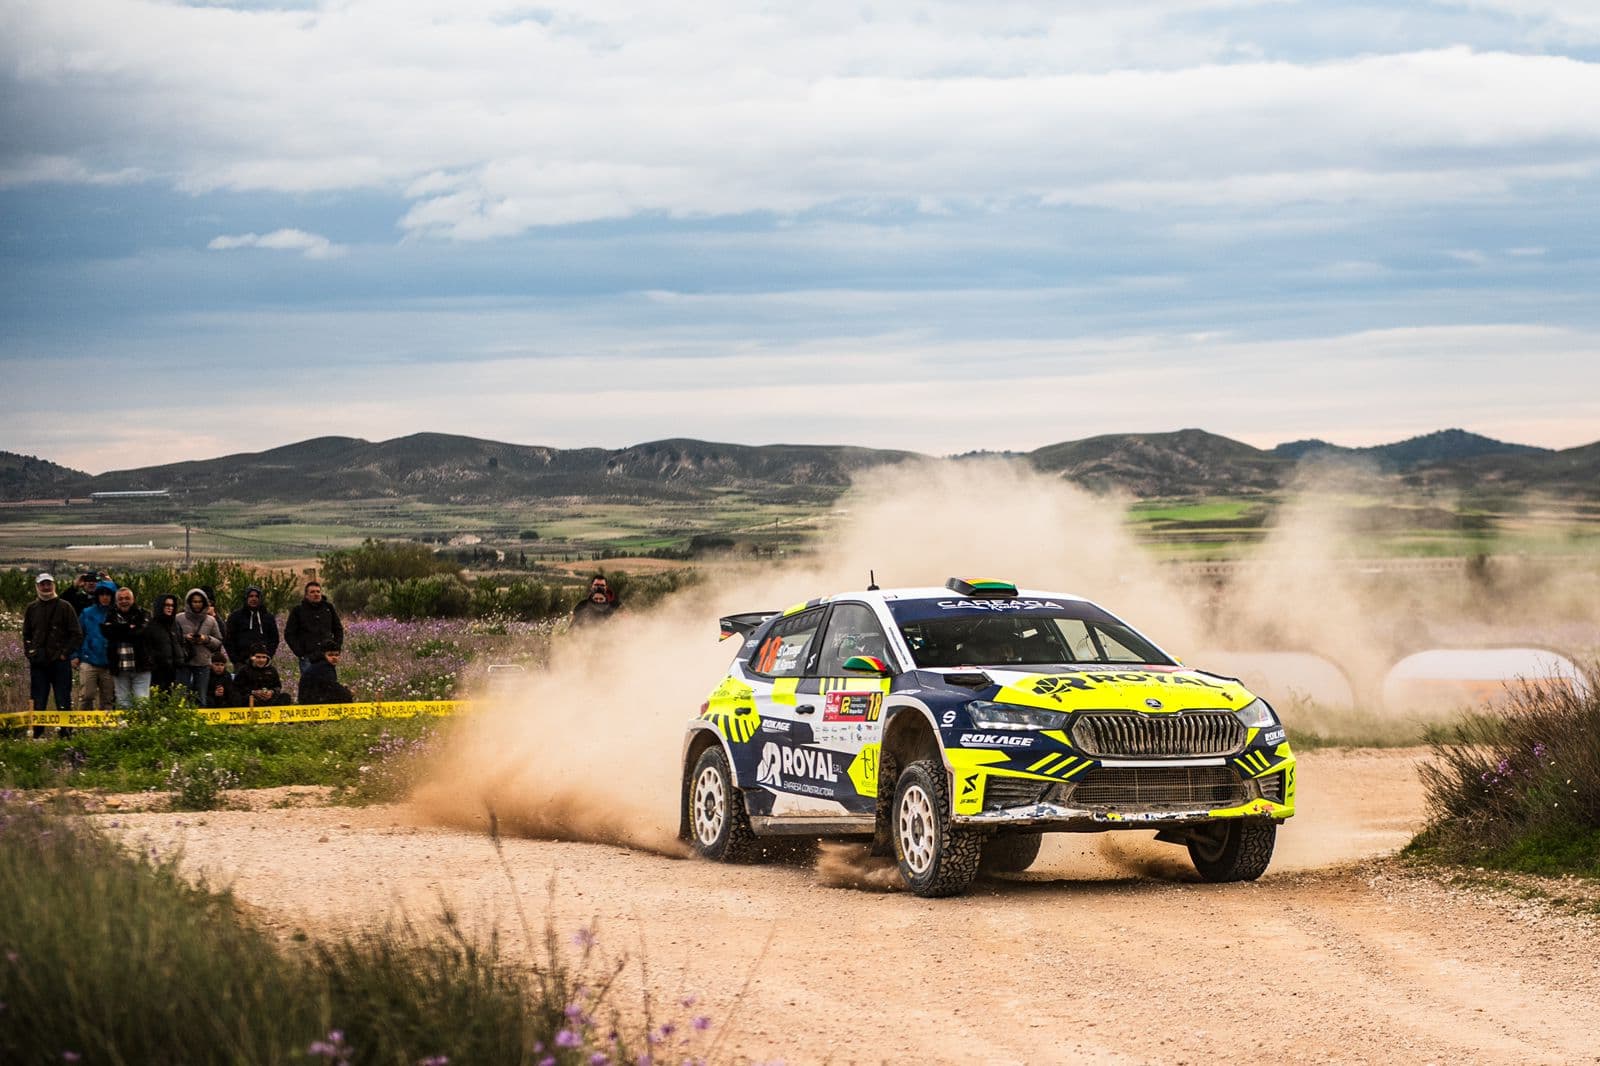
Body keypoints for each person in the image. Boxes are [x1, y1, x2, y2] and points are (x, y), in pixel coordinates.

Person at [22, 573, 81, 738]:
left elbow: (76, 634)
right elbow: (26, 634)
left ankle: (66, 733)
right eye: (42, 584)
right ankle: (37, 734)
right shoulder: (32, 608)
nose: (46, 587)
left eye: (48, 584)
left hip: (60, 663)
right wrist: (30, 653)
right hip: (39, 664)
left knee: (63, 699)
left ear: (54, 585)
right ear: (37, 587)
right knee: (38, 700)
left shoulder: (65, 607)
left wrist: (64, 654)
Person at [100, 587, 153, 708]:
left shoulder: (143, 613)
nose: (124, 601)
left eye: (127, 598)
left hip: (141, 665)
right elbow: (107, 633)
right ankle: (125, 727)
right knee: (123, 702)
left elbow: (140, 632)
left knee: (142, 701)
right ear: (116, 601)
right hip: (119, 666)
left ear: (133, 599)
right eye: (120, 599)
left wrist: (117, 629)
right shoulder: (110, 614)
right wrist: (129, 628)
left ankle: (141, 726)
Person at [74, 579, 118, 712]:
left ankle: (106, 730)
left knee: (108, 699)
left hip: (109, 663)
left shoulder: (117, 614)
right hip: (89, 660)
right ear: (97, 595)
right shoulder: (87, 613)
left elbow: (128, 597)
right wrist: (75, 655)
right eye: (102, 594)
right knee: (87, 695)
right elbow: (77, 635)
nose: (105, 597)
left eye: (108, 594)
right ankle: (83, 728)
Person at [174, 588, 224, 698]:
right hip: (184, 662)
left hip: (203, 663)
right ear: (189, 602)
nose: (197, 604)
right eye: (194, 601)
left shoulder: (211, 620)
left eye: (200, 602)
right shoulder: (178, 618)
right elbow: (173, 639)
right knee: (181, 697)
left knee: (200, 697)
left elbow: (218, 642)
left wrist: (205, 639)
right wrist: (185, 638)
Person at [284, 580, 343, 673]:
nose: (316, 594)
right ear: (306, 595)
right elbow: (289, 633)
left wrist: (336, 647)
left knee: (328, 684)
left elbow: (338, 629)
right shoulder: (298, 611)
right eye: (312, 592)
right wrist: (299, 652)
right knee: (309, 685)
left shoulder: (328, 608)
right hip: (308, 656)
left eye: (318, 591)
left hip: (327, 655)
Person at [225, 585, 281, 666]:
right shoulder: (235, 616)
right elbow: (228, 639)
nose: (254, 599)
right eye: (251, 596)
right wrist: (235, 660)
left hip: (262, 661)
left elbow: (274, 639)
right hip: (241, 662)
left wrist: (268, 656)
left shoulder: (268, 617)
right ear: (246, 598)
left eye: (256, 596)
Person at [147, 593, 185, 693]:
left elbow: (181, 643)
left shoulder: (175, 625)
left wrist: (183, 656)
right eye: (167, 605)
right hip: (157, 672)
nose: (170, 608)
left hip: (174, 671)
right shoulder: (151, 625)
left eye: (172, 605)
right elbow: (147, 647)